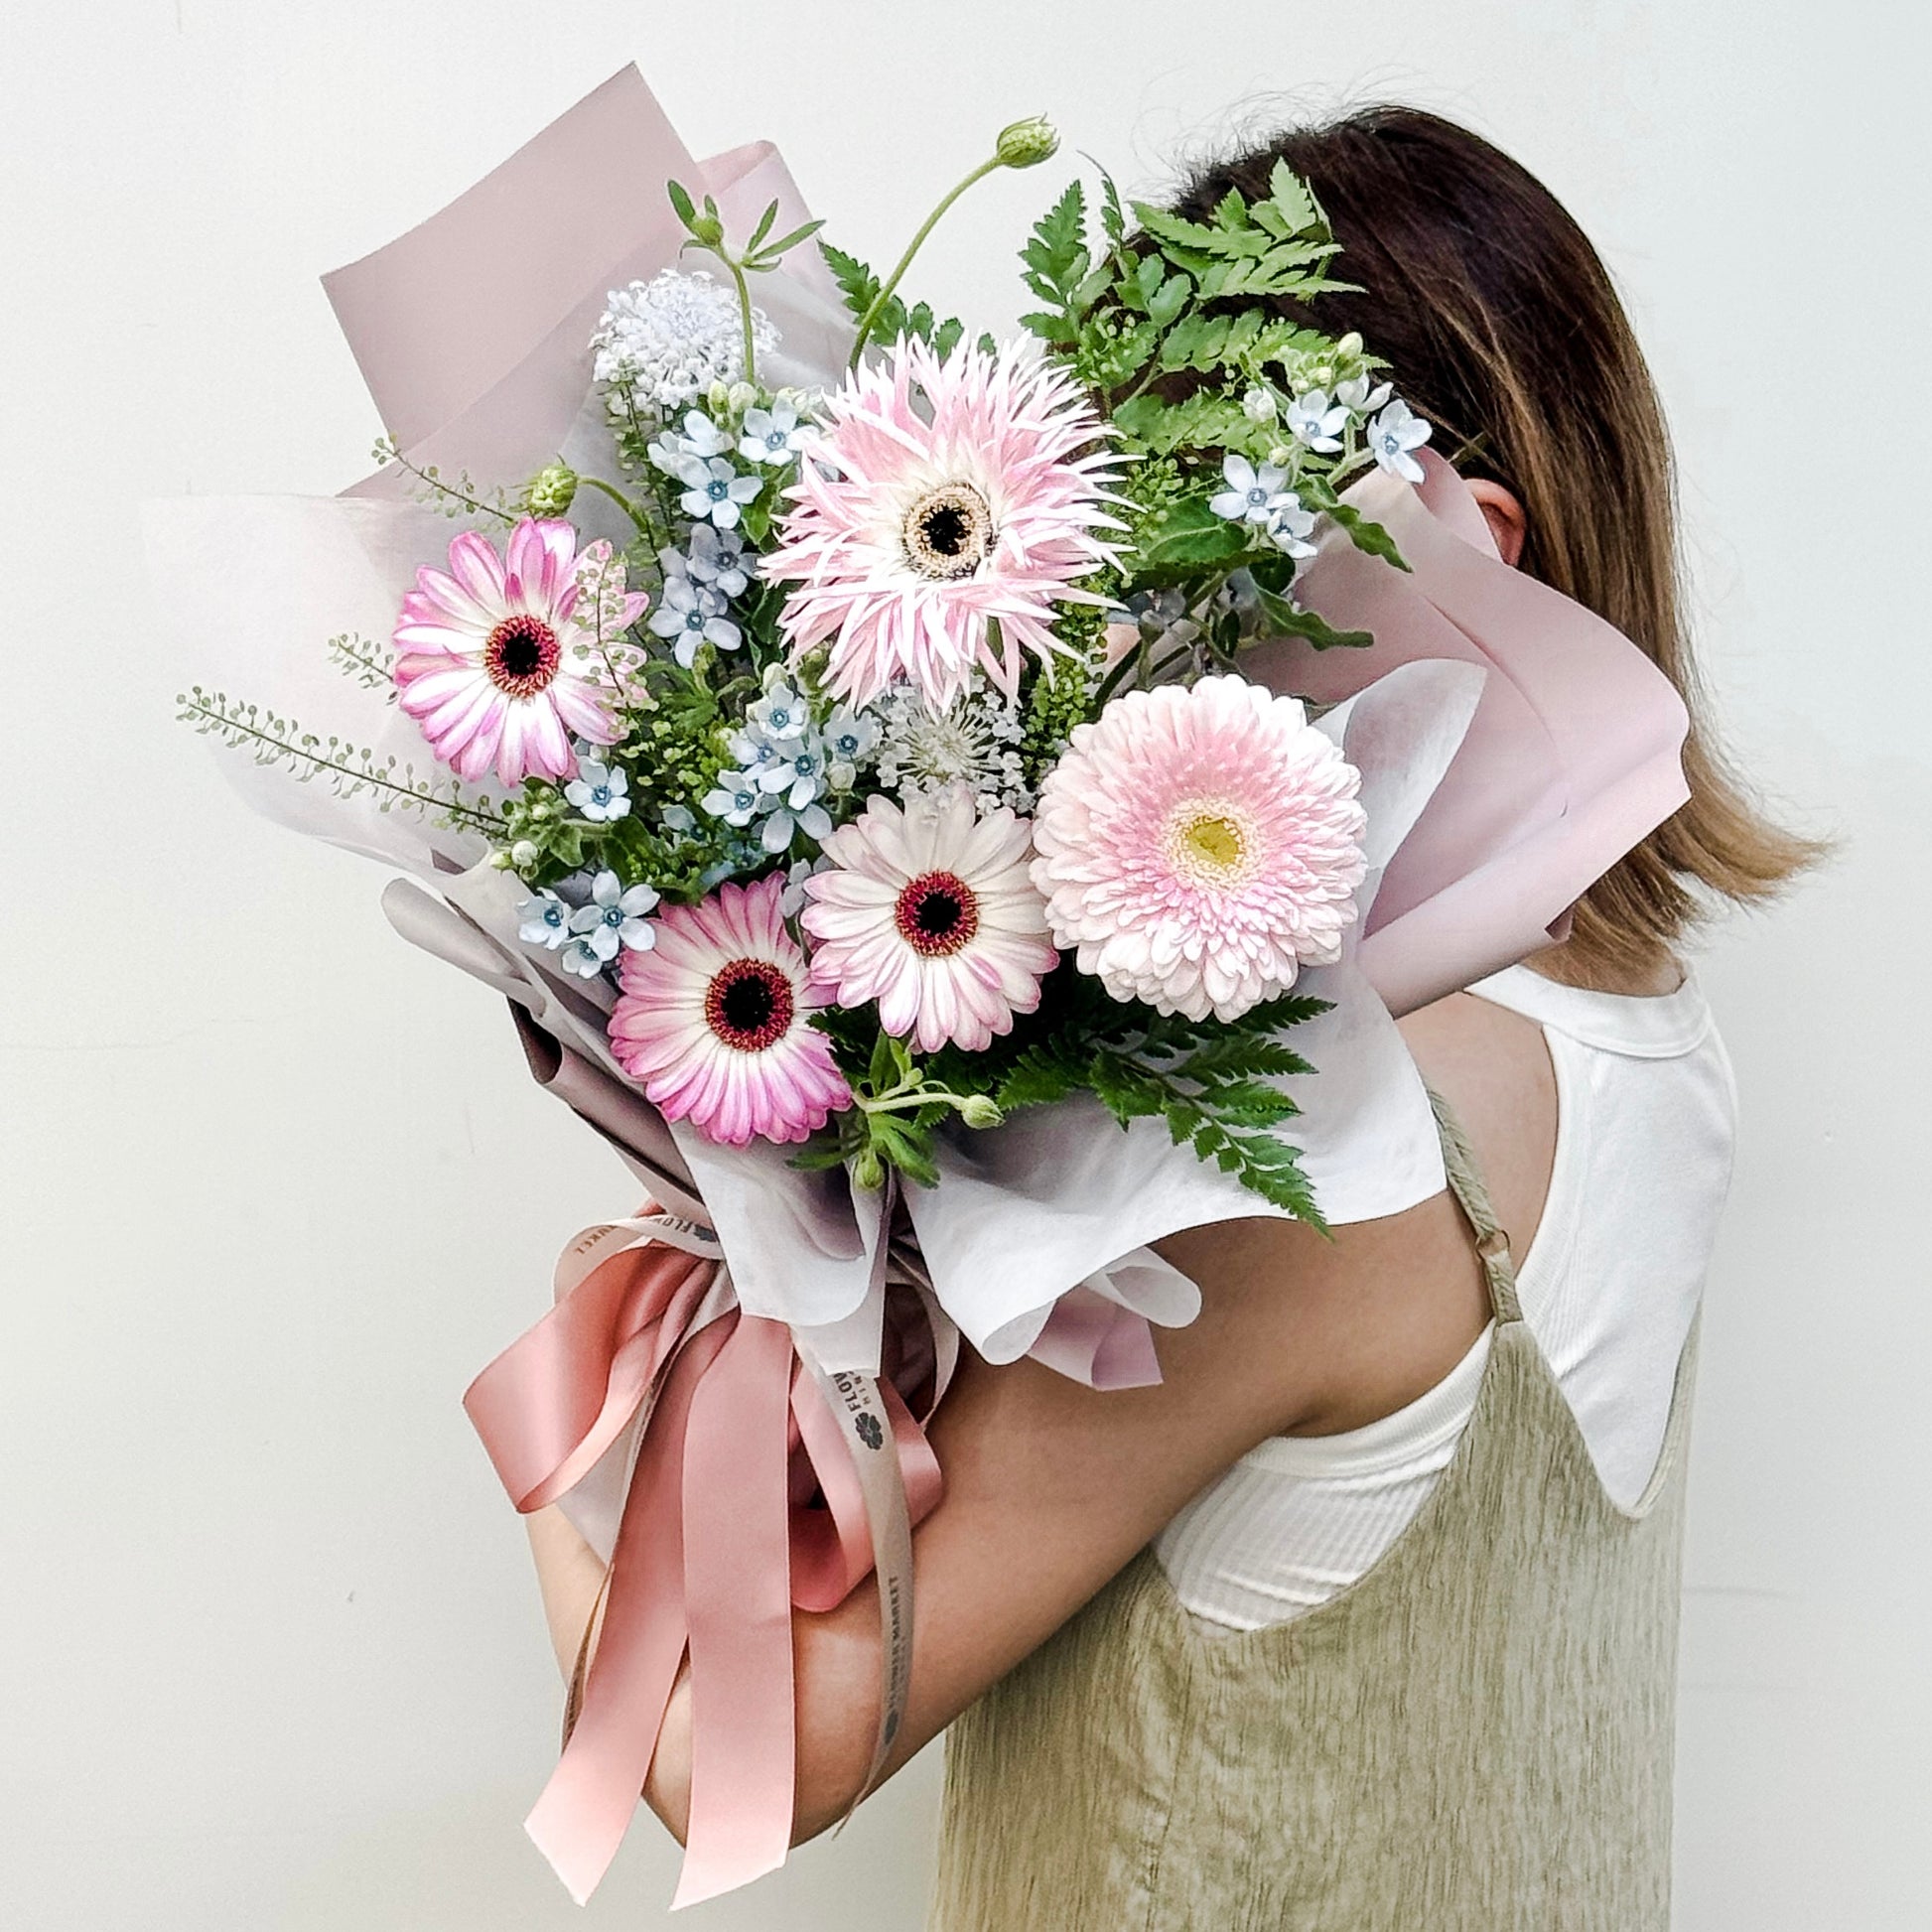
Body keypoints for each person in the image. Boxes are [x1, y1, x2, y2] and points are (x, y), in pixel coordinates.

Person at [527, 104, 1818, 1929]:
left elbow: (748, 1758)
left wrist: (583, 1396)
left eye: (1170, 525)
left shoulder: (1325, 1144)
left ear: (1458, 546)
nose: (1111, 627)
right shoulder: (1640, 1042)